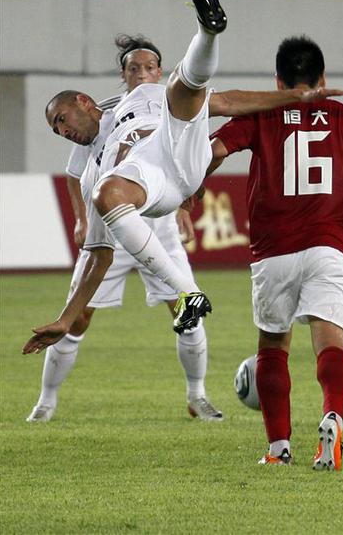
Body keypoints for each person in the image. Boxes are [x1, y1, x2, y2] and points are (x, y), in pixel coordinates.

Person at [23, 0, 343, 390]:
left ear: (85, 102)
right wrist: (66, 320)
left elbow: (227, 102)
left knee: (185, 86)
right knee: (106, 190)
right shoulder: (94, 175)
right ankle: (186, 293)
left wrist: (295, 97)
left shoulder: (142, 95)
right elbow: (98, 257)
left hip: (180, 145)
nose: (62, 131)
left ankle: (208, 29)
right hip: (151, 179)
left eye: (62, 120)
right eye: (55, 130)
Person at [209, 35, 343, 471]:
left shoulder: (261, 115)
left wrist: (189, 191)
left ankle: (279, 448)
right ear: (324, 76)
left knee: (272, 346)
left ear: (278, 81)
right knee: (331, 342)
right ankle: (333, 416)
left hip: (273, 252)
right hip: (329, 248)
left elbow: (213, 151)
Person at [26, 32, 224, 424]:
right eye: (134, 68)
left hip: (158, 224)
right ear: (124, 75)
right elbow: (75, 173)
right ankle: (46, 401)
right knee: (79, 317)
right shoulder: (101, 114)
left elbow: (188, 157)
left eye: (149, 67)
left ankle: (197, 395)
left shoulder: (169, 104)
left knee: (186, 311)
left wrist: (183, 203)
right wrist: (82, 217)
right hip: (110, 226)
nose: (142, 73)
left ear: (160, 71)